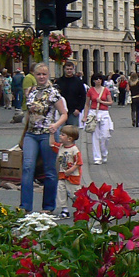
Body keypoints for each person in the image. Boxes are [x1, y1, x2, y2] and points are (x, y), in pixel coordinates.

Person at [21, 62, 67, 214]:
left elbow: (64, 113)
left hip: (48, 134)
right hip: (31, 133)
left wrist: (56, 125)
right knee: (27, 167)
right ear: (34, 75)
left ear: (48, 75)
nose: (41, 77)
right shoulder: (31, 92)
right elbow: (28, 113)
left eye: (44, 74)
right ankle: (25, 206)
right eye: (38, 74)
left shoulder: (54, 93)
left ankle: (48, 207)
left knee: (49, 170)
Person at [85, 73, 114, 165]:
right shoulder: (90, 90)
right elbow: (87, 104)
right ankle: (97, 157)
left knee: (105, 135)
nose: (98, 80)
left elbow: (110, 102)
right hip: (93, 112)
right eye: (96, 79)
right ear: (93, 80)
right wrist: (85, 116)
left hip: (104, 113)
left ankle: (104, 153)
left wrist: (101, 101)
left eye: (99, 79)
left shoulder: (106, 90)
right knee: (95, 136)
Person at [55, 125, 82, 219]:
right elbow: (51, 144)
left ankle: (81, 207)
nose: (60, 136)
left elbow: (79, 162)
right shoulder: (61, 147)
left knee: (73, 193)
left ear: (69, 138)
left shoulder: (74, 150)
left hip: (73, 176)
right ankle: (64, 210)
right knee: (61, 190)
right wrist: (51, 133)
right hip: (62, 174)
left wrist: (71, 170)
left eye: (62, 135)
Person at [55, 61, 87, 131]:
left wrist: (79, 109)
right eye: (67, 69)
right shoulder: (59, 81)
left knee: (72, 133)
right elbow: (55, 96)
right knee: (60, 131)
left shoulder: (78, 81)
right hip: (61, 111)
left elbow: (83, 96)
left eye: (71, 69)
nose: (69, 71)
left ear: (73, 70)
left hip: (73, 111)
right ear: (64, 69)